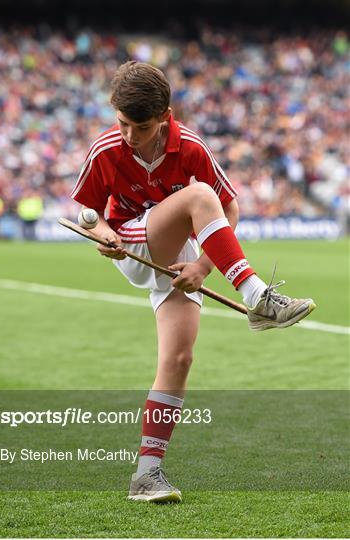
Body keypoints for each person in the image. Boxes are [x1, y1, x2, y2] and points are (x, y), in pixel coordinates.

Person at [70, 61, 316, 503]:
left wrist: (203, 266)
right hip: (134, 242)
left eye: (139, 126)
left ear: (165, 115)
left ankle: (146, 475)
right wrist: (103, 235)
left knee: (179, 359)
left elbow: (230, 209)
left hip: (178, 249)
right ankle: (258, 298)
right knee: (199, 196)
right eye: (122, 123)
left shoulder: (191, 147)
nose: (128, 135)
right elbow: (89, 217)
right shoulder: (106, 149)